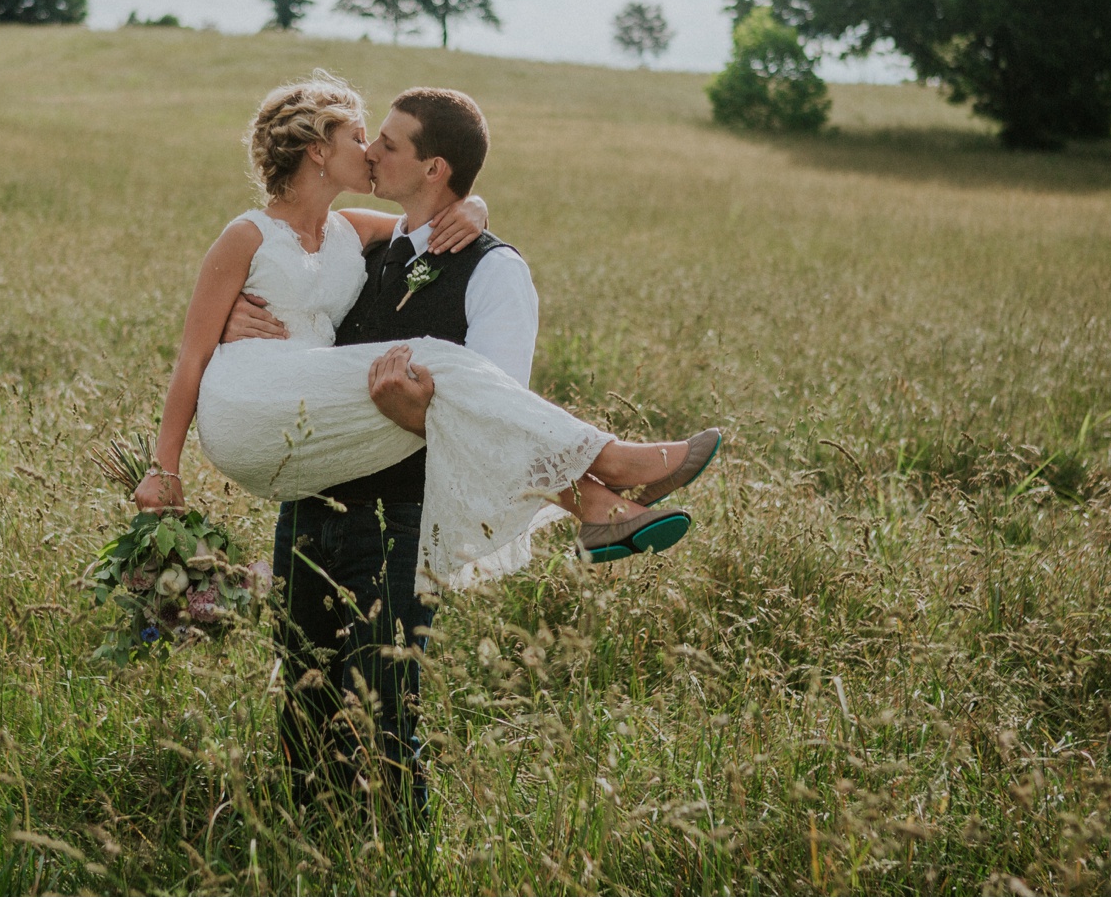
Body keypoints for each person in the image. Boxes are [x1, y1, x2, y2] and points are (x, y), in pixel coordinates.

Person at [133, 71, 723, 814]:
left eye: (383, 141)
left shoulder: (392, 242)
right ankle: (610, 469)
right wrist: (173, 447)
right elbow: (198, 348)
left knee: (363, 707)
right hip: (276, 446)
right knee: (442, 364)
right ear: (319, 151)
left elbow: (446, 271)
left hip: (371, 499)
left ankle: (375, 858)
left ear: (431, 167)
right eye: (359, 136)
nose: (370, 150)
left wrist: (474, 206)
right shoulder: (262, 234)